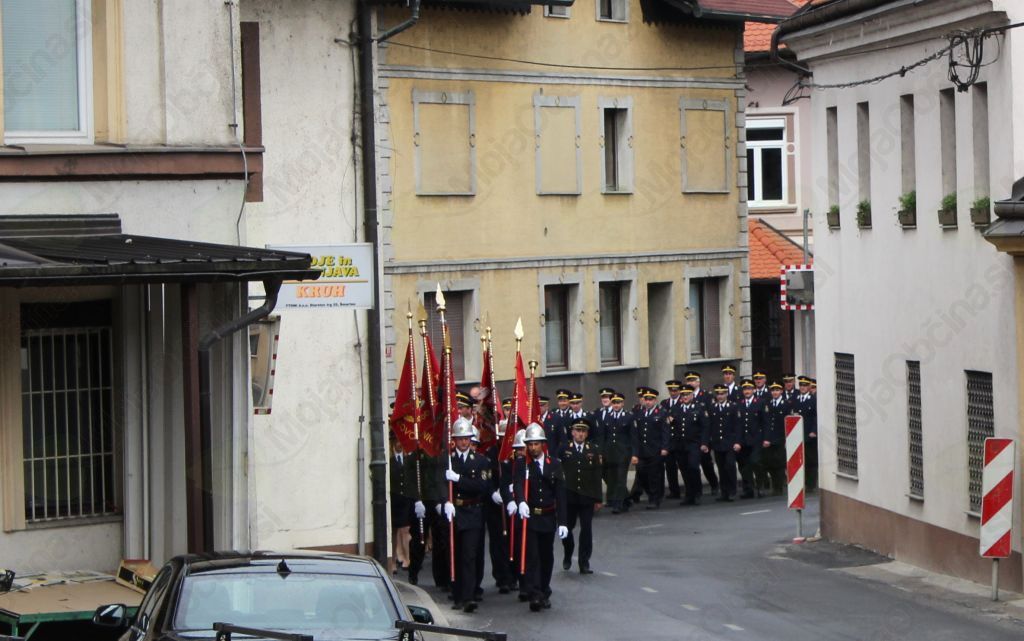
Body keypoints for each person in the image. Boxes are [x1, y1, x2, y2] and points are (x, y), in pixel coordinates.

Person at [514, 423, 568, 612]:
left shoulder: (554, 464)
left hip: (548, 517)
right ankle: (535, 594)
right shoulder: (522, 464)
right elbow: (518, 484)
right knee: (533, 557)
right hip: (531, 517)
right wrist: (521, 501)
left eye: (536, 444)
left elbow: (560, 494)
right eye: (530, 444)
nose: (533, 448)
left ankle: (544, 589)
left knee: (546, 557)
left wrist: (563, 522)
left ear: (543, 444)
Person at [439, 417, 491, 613]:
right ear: (454, 439)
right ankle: (457, 594)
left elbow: (482, 486)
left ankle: (469, 597)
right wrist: (445, 501)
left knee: (469, 555)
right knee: (454, 554)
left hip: (472, 512)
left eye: (466, 438)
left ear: (470, 439)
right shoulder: (448, 460)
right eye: (460, 438)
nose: (463, 442)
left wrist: (459, 479)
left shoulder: (480, 461)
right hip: (454, 512)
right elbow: (439, 483)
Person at [559, 419, 602, 574]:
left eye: (583, 431)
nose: (580, 434)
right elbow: (557, 472)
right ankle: (568, 552)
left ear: (587, 434)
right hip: (569, 495)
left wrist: (598, 499)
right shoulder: (564, 449)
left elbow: (597, 475)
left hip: (587, 496)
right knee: (567, 529)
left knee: (586, 529)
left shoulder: (593, 450)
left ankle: (584, 562)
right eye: (578, 431)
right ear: (572, 432)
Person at [484, 420, 515, 595]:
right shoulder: (491, 453)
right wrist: (492, 492)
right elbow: (486, 476)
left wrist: (511, 488)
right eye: (501, 437)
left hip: (511, 502)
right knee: (497, 541)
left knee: (512, 540)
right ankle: (501, 577)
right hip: (495, 504)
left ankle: (513, 576)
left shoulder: (515, 453)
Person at [408, 449, 446, 589]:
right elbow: (410, 480)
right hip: (422, 501)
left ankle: (441, 578)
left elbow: (440, 478)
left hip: (436, 500)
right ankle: (413, 573)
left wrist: (441, 500)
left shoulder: (441, 454)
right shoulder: (416, 455)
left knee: (441, 540)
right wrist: (416, 499)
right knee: (419, 540)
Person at [631, 387, 668, 510]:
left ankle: (654, 499)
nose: (647, 402)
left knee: (654, 476)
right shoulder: (639, 413)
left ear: (655, 400)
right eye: (646, 399)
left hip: (655, 450)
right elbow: (636, 434)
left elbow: (665, 432)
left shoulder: (661, 413)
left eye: (650, 400)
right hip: (642, 450)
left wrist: (664, 447)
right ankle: (651, 493)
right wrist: (635, 452)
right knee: (642, 473)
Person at [503, 429, 528, 600]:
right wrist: (509, 498)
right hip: (513, 510)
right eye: (518, 449)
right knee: (515, 546)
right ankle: (515, 577)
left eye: (523, 449)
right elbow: (504, 483)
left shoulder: (532, 464)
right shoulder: (508, 463)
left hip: (528, 510)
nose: (521, 452)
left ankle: (527, 583)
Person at [703, 385, 739, 502]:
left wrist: (737, 442)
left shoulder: (733, 407)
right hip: (717, 443)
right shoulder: (712, 408)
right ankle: (724, 492)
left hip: (730, 442)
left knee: (730, 466)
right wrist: (706, 442)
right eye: (718, 394)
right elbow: (709, 426)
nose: (720, 396)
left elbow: (737, 426)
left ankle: (732, 490)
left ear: (726, 394)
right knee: (721, 468)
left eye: (722, 394)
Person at [674, 386, 708, 506]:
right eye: (683, 395)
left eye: (687, 394)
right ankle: (689, 494)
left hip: (694, 443)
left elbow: (705, 427)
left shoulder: (699, 408)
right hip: (680, 445)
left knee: (693, 467)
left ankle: (697, 492)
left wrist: (704, 443)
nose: (685, 397)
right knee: (684, 469)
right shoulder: (676, 409)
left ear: (692, 395)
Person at [686, 371, 719, 496]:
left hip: (704, 436)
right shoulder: (684, 396)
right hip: (692, 438)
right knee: (692, 465)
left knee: (706, 463)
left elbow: (711, 417)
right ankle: (696, 489)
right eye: (688, 380)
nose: (690, 383)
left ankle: (714, 484)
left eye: (693, 380)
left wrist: (709, 437)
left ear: (698, 382)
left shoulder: (706, 396)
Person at [601, 391, 633, 513]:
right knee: (613, 478)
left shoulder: (628, 416)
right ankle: (626, 500)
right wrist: (602, 452)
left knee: (620, 479)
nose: (616, 405)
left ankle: (618, 504)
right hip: (610, 452)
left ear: (623, 403)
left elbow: (633, 436)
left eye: (618, 402)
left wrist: (634, 453)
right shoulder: (607, 416)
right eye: (614, 402)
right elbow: (604, 436)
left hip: (623, 452)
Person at [735, 379, 764, 499]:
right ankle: (749, 489)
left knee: (755, 462)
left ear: (754, 390)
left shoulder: (760, 402)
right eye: (745, 389)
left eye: (749, 389)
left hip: (757, 439)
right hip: (744, 440)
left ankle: (760, 486)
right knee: (745, 466)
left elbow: (765, 422)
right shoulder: (739, 404)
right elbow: (737, 424)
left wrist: (766, 438)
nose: (747, 391)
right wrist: (737, 441)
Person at [389, 438, 414, 574]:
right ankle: (393, 561)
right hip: (394, 500)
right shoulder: (390, 460)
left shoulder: (408, 460)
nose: (399, 444)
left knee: (405, 530)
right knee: (394, 532)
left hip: (406, 500)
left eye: (401, 442)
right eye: (397, 442)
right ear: (393, 444)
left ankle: (407, 558)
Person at [760, 382, 789, 495]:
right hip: (769, 438)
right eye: (773, 390)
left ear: (781, 391)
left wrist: (787, 438)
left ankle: (779, 487)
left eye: (777, 390)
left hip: (781, 438)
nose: (775, 392)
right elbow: (765, 422)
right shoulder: (767, 403)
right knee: (770, 463)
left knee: (779, 464)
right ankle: (775, 486)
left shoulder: (786, 404)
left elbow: (788, 422)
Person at [793, 376, 818, 490]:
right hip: (798, 434)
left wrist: (814, 431)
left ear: (809, 387)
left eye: (805, 385)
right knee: (799, 460)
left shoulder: (813, 399)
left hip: (809, 434)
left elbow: (816, 417)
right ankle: (801, 483)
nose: (802, 387)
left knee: (810, 460)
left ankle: (810, 484)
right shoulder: (796, 399)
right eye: (801, 385)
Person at [661, 380, 685, 499]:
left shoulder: (682, 402)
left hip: (680, 440)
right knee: (670, 467)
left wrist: (673, 418)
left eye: (675, 390)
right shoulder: (664, 403)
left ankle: (690, 489)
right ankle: (674, 491)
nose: (673, 392)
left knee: (684, 466)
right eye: (671, 390)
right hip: (669, 440)